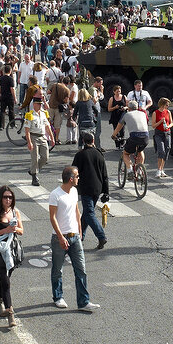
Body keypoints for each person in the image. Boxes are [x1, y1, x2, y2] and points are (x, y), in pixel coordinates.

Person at [48, 166, 99, 313]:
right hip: (59, 239)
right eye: (77, 176)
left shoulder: (75, 191)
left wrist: (80, 230)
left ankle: (84, 301)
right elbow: (52, 217)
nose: (78, 178)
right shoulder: (55, 195)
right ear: (71, 179)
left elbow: (77, 211)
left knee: (81, 269)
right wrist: (60, 236)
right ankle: (58, 297)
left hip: (75, 237)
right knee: (58, 270)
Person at [0, 184, 24, 328]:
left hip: (12, 250)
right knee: (6, 282)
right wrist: (5, 230)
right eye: (5, 197)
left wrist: (15, 229)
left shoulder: (15, 213)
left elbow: (21, 231)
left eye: (10, 197)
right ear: (0, 198)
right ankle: (10, 313)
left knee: (5, 280)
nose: (8, 200)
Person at [73, 132, 109, 249]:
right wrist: (106, 192)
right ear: (93, 141)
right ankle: (80, 236)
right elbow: (105, 174)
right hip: (97, 188)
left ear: (83, 141)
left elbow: (73, 171)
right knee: (87, 213)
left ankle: (101, 236)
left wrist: (71, 187)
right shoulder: (99, 154)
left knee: (89, 213)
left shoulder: (80, 155)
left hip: (86, 188)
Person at [112, 100, 150, 179]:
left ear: (128, 108)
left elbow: (119, 126)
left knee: (125, 153)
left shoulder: (127, 114)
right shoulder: (143, 113)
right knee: (140, 151)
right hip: (145, 137)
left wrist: (114, 135)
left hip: (134, 137)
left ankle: (130, 171)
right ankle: (139, 171)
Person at [24, 95, 54, 186]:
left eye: (40, 104)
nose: (40, 105)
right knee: (35, 158)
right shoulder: (30, 115)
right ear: (34, 104)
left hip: (42, 137)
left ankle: (33, 170)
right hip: (34, 137)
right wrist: (29, 142)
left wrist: (52, 138)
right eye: (38, 104)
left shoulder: (44, 113)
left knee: (45, 157)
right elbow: (27, 130)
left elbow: (47, 126)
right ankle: (34, 176)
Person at [150, 97, 173, 179]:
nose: (168, 106)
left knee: (167, 149)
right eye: (167, 105)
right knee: (161, 150)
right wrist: (160, 121)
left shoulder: (168, 112)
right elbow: (153, 125)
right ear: (162, 104)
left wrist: (168, 126)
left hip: (167, 133)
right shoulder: (155, 113)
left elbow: (171, 123)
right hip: (158, 134)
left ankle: (161, 169)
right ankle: (158, 170)